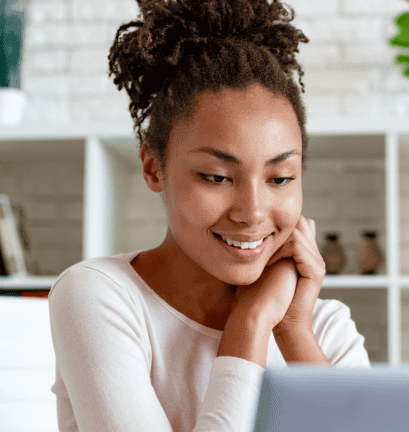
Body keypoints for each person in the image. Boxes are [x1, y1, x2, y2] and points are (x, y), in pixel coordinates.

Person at [47, 0, 371, 431]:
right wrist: (250, 323)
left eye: (280, 178)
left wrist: (293, 331)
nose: (252, 212)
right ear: (153, 167)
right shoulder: (100, 296)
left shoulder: (325, 328)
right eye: (217, 177)